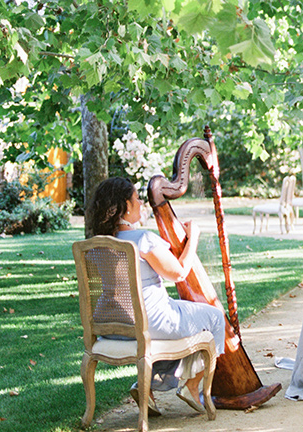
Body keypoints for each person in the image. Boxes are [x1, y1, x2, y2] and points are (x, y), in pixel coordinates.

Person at [86, 177, 226, 416]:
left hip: (111, 327)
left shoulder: (95, 244)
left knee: (186, 319)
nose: (141, 203)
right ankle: (192, 385)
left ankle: (146, 387)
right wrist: (194, 237)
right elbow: (180, 273)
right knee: (214, 317)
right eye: (136, 198)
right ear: (125, 206)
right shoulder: (143, 240)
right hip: (153, 323)